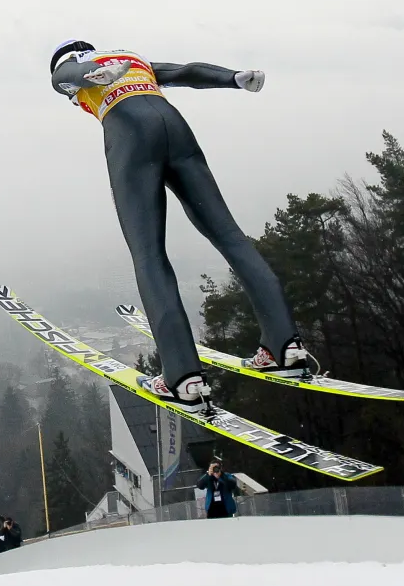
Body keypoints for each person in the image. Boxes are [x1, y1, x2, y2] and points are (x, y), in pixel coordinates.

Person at [49, 40, 310, 412]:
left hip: (131, 136)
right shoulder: (131, 59)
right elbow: (186, 71)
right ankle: (285, 346)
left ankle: (182, 376)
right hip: (175, 128)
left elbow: (67, 75)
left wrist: (91, 76)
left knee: (149, 256)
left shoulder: (75, 70)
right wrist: (234, 78)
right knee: (230, 236)